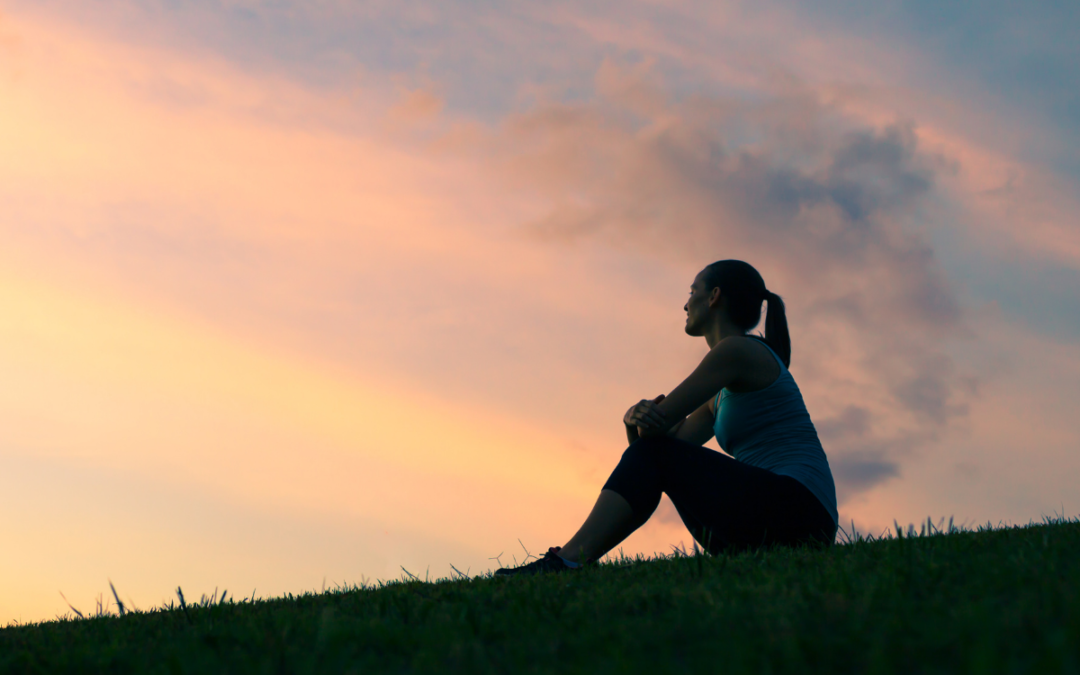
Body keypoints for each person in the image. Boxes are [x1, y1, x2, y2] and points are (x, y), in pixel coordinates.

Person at [495, 260, 839, 576]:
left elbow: (657, 434)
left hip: (800, 511)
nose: (686, 304)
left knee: (655, 456)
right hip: (784, 519)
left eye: (693, 292)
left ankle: (565, 562)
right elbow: (661, 450)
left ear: (715, 296)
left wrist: (642, 417)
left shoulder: (737, 351)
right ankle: (567, 561)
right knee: (656, 456)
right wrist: (634, 423)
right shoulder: (719, 395)